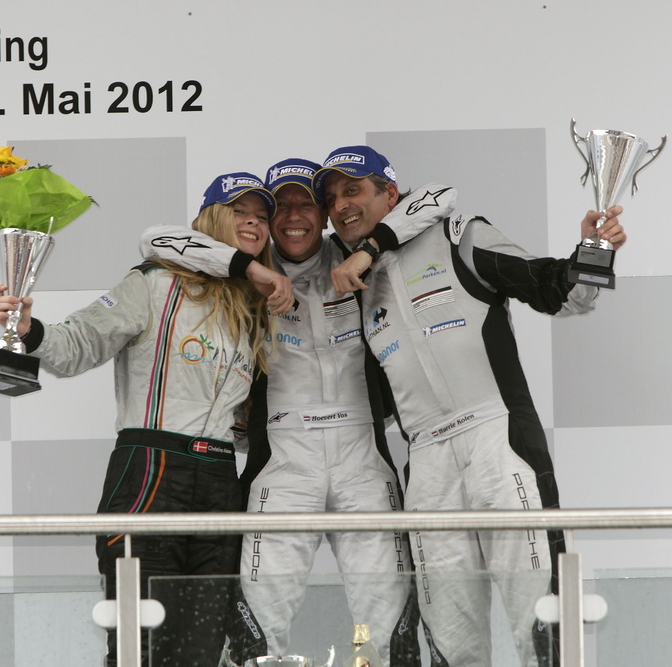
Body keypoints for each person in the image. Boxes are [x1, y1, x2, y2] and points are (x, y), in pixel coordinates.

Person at [312, 145, 627, 667]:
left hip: (498, 441)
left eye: (353, 190)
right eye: (331, 198)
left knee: (539, 620)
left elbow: (560, 292)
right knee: (451, 641)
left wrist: (596, 249)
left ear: (390, 193)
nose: (341, 205)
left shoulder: (458, 236)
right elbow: (373, 399)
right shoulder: (349, 282)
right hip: (426, 463)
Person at [139, 158, 451, 665]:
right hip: (283, 464)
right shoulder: (241, 268)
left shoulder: (358, 256)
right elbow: (154, 240)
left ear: (324, 214)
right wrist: (252, 270)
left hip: (363, 462)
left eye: (306, 203)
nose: (293, 216)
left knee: (382, 620)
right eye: (280, 206)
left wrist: (366, 251)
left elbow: (441, 196)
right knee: (262, 622)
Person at [0, 172, 284, 667]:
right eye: (240, 212)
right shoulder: (155, 281)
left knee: (201, 647)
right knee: (137, 643)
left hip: (220, 479)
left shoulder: (256, 308)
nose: (253, 223)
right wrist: (30, 330)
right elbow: (80, 343)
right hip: (151, 468)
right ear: (212, 218)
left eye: (261, 217)